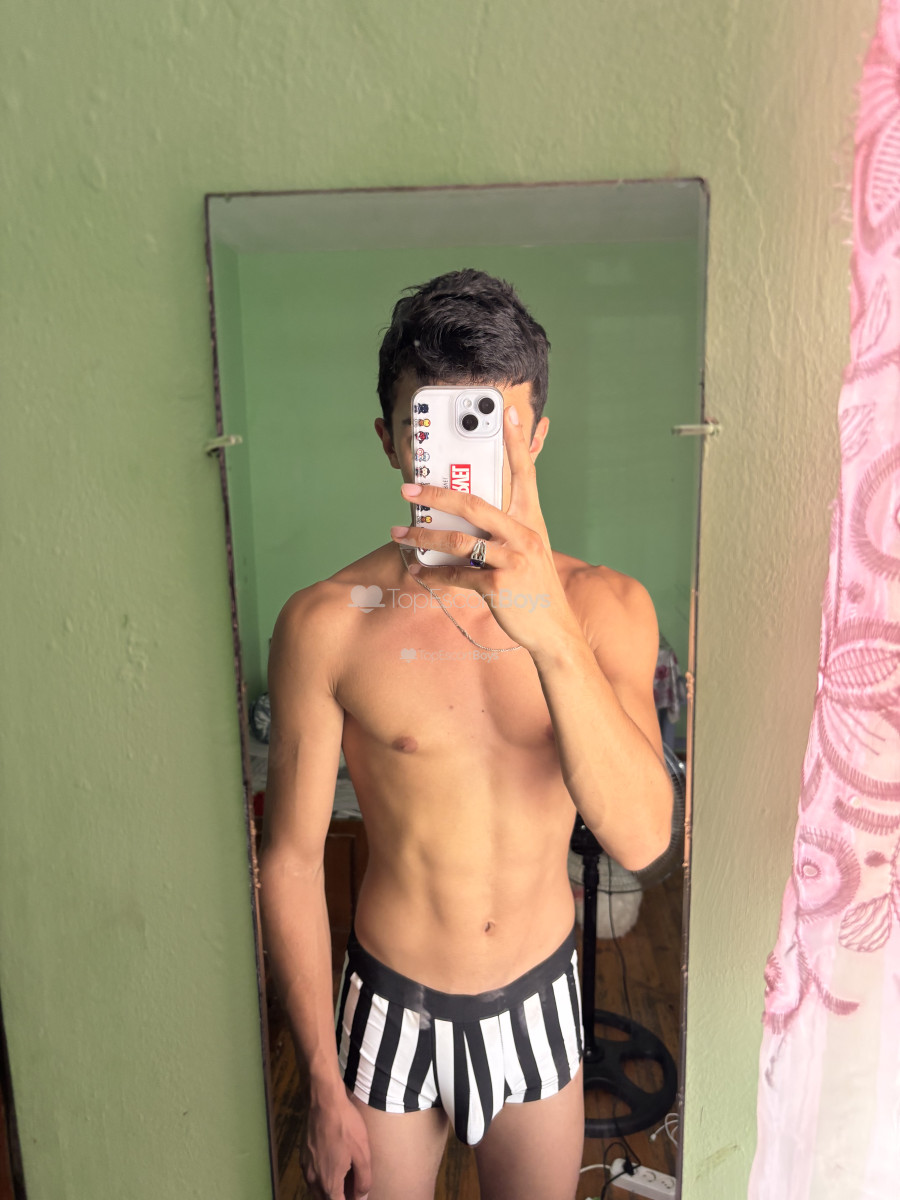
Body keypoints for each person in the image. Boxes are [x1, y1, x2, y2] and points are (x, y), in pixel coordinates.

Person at [259, 269, 673, 1200]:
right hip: (390, 1005)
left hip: (538, 996)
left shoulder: (605, 607)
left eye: (490, 431)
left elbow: (643, 838)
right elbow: (289, 860)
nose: (464, 467)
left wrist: (548, 631)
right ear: (389, 440)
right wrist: (320, 1082)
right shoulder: (327, 624)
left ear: (535, 437)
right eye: (435, 429)